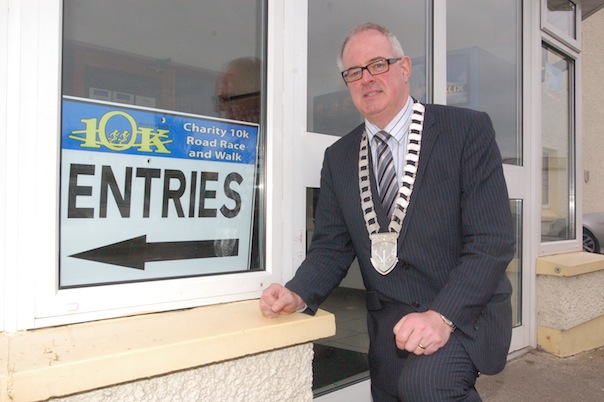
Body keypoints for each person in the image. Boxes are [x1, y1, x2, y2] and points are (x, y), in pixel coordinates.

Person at [260, 22, 514, 401]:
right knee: (393, 392)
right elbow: (332, 246)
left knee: (427, 385)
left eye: (378, 64)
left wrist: (441, 316)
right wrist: (298, 293)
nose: (367, 78)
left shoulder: (465, 131)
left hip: (462, 314)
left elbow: (492, 240)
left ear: (405, 67)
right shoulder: (340, 158)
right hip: (389, 325)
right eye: (354, 72)